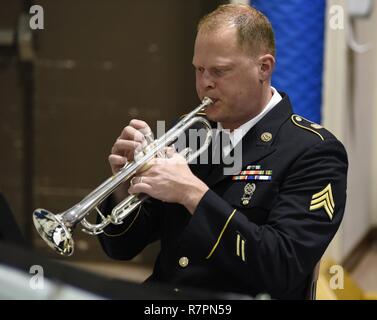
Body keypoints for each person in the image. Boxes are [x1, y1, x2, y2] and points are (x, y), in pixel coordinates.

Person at [98, 4, 348, 299]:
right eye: (199, 70)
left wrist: (193, 194)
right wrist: (124, 189)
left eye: (220, 71)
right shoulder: (189, 134)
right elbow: (121, 248)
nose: (205, 84)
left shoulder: (314, 152)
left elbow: (281, 268)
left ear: (263, 68)